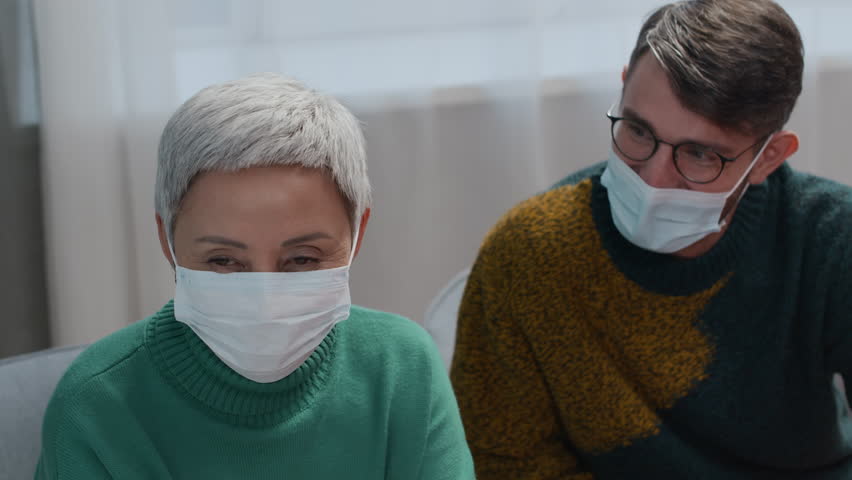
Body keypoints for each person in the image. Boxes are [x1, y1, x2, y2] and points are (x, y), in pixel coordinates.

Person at [451, 0, 852, 478]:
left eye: (701, 154)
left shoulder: (830, 240)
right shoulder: (529, 256)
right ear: (622, 89)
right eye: (639, 131)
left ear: (768, 157)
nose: (654, 180)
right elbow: (505, 464)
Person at [36, 73, 474, 479]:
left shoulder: (401, 370)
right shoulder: (97, 406)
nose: (266, 301)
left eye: (302, 259)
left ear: (356, 234)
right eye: (224, 262)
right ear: (167, 240)